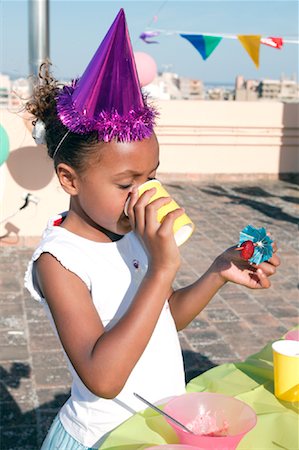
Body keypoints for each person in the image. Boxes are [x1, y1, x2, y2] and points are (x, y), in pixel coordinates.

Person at [24, 9, 280, 450]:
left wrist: (217, 271)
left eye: (152, 176)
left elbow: (159, 323)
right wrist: (162, 269)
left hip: (156, 431)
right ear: (70, 179)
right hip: (102, 438)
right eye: (127, 184)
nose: (145, 193)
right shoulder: (59, 262)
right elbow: (103, 377)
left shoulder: (129, 236)